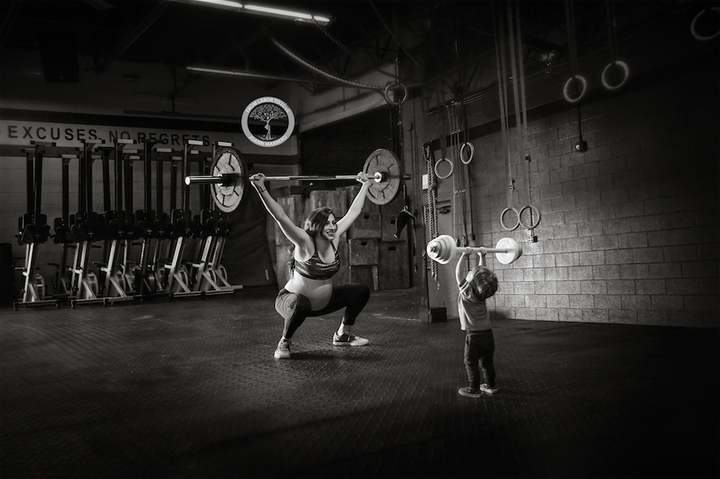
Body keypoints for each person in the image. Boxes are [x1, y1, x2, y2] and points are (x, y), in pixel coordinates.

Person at [250, 172, 374, 359]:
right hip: (291, 303)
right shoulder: (305, 242)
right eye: (327, 224)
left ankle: (343, 334)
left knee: (361, 291)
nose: (332, 227)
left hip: (322, 303)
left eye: (333, 223)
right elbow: (281, 216)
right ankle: (284, 342)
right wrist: (261, 188)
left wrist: (366, 185)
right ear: (316, 226)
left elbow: (354, 211)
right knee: (302, 303)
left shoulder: (335, 236)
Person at [455, 249, 500, 398]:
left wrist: (463, 255)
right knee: (487, 362)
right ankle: (490, 385)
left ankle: (474, 389)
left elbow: (458, 274)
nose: (467, 273)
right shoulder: (482, 292)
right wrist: (482, 255)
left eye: (470, 274)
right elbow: (484, 276)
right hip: (488, 334)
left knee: (471, 363)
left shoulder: (467, 293)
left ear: (472, 283)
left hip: (474, 336)